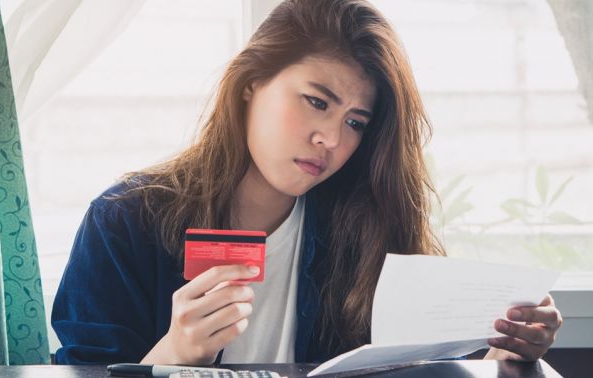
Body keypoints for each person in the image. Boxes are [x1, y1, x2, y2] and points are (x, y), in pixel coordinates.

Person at [51, 0, 563, 366]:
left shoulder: (365, 224)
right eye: (316, 101)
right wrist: (175, 354)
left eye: (356, 122)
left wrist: (508, 356)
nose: (331, 139)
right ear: (252, 82)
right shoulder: (126, 219)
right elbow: (86, 365)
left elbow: (425, 363)